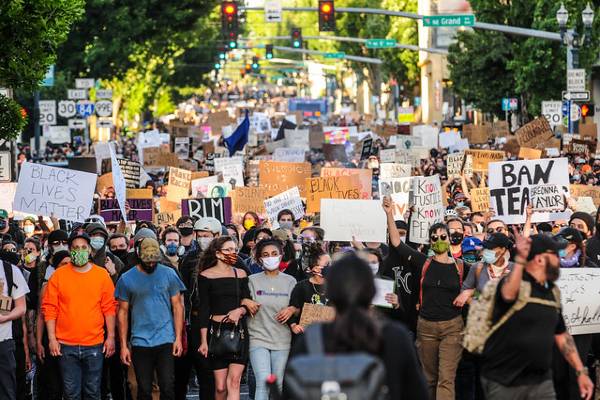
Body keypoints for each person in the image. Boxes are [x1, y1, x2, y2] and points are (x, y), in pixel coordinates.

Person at [285, 253, 428, 399]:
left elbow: (291, 391)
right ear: (372, 291)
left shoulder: (313, 338)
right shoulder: (395, 337)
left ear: (330, 293)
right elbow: (418, 393)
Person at [480, 233, 594, 400]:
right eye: (555, 255)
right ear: (540, 259)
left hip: (541, 383)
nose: (558, 260)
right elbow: (508, 295)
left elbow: (562, 335)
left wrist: (580, 371)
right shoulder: (512, 284)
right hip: (505, 383)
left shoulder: (552, 292)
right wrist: (520, 261)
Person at [383, 196, 464, 400]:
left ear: (449, 238)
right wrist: (389, 214)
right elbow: (396, 242)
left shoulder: (462, 266)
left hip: (452, 327)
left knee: (446, 378)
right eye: (434, 237)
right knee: (428, 378)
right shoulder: (423, 262)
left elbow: (477, 284)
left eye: (443, 236)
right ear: (430, 241)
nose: (439, 240)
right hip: (426, 326)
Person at [41, 232, 117, 400]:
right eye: (76, 248)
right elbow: (50, 308)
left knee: (93, 392)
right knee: (70, 393)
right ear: (70, 250)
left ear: (90, 250)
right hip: (65, 345)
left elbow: (109, 308)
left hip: (95, 344)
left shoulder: (102, 275)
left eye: (84, 247)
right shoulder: (58, 276)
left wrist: (111, 337)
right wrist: (52, 339)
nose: (80, 251)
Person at [116, 237, 186, 400]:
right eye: (148, 261)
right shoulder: (126, 278)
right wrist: (124, 346)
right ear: (139, 255)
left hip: (165, 338)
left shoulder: (169, 274)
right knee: (144, 389)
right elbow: (122, 312)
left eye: (154, 260)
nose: (151, 264)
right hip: (140, 340)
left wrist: (178, 338)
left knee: (167, 386)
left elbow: (178, 306)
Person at [197, 236, 254, 400]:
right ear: (217, 253)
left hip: (239, 331)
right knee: (221, 387)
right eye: (228, 250)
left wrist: (240, 310)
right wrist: (203, 341)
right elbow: (204, 308)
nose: (232, 253)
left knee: (234, 382)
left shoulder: (241, 274)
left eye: (234, 250)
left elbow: (248, 300)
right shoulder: (205, 276)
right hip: (216, 332)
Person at [552, 227, 597, 400]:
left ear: (573, 246)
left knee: (576, 372)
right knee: (557, 372)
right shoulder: (548, 266)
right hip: (555, 329)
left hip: (581, 330)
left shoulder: (589, 267)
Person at [247, 239, 296, 400]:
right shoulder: (252, 280)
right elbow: (241, 299)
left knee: (278, 384)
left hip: (282, 339)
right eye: (265, 255)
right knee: (263, 381)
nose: (270, 258)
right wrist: (245, 301)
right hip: (258, 337)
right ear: (260, 259)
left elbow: (297, 306)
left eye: (274, 254)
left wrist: (291, 309)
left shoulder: (290, 281)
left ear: (281, 256)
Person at [0, 246, 29, 400]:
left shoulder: (10, 271)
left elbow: (21, 308)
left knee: (6, 392)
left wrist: (4, 317)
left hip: (4, 343)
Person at [454, 233, 514, 306]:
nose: (486, 251)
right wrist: (477, 302)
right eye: (485, 247)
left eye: (490, 248)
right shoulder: (477, 267)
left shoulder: (515, 269)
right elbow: (464, 291)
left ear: (502, 250)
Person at [288, 242, 330, 335]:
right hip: (307, 336)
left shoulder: (335, 286)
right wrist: (294, 325)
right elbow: (293, 307)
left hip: (329, 337)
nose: (330, 266)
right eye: (327, 264)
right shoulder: (301, 286)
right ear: (316, 269)